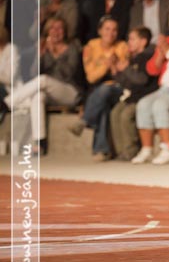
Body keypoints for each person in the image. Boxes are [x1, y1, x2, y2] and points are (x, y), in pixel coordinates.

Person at [3, 17, 84, 156]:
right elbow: (34, 73)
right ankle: (40, 143)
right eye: (52, 28)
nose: (56, 31)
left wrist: (54, 54)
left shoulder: (72, 48)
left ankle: (7, 103)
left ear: (65, 31)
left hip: (70, 92)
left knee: (43, 80)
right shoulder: (44, 48)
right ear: (47, 31)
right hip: (51, 92)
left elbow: (69, 73)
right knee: (38, 96)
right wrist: (40, 56)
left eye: (59, 28)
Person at [131, 2, 169, 165]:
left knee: (160, 105)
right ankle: (147, 149)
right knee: (143, 104)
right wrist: (160, 54)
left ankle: (168, 149)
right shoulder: (168, 41)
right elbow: (152, 70)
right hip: (164, 89)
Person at [68, 16, 129, 161]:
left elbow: (122, 74)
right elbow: (91, 77)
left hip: (118, 89)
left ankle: (84, 121)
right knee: (103, 106)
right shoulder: (91, 46)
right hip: (96, 91)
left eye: (114, 30)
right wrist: (106, 65)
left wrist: (112, 68)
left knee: (106, 89)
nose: (111, 33)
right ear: (99, 31)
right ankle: (102, 151)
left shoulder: (122, 46)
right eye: (107, 29)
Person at [109, 26, 158, 161]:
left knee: (126, 115)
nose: (128, 42)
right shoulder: (133, 58)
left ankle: (131, 150)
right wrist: (115, 70)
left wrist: (126, 68)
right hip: (132, 96)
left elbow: (142, 80)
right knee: (115, 113)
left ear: (143, 41)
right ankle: (121, 151)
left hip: (144, 96)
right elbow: (127, 83)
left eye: (132, 39)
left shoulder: (147, 57)